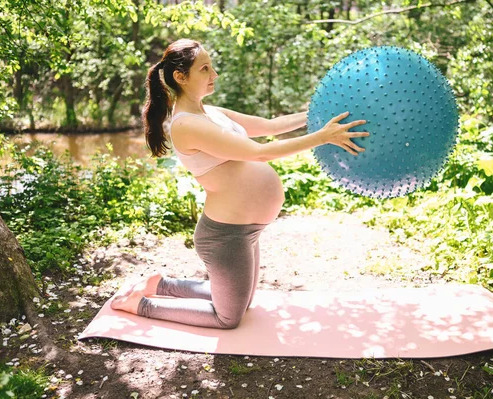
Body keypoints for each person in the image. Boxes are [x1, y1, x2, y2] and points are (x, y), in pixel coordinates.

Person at [110, 38, 369, 329]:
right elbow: (259, 153)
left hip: (247, 228)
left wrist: (322, 114)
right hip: (225, 235)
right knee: (228, 318)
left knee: (242, 302)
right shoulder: (186, 125)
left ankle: (162, 284)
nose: (214, 74)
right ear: (180, 77)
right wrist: (322, 136)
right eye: (205, 69)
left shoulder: (210, 112)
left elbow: (270, 126)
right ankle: (142, 305)